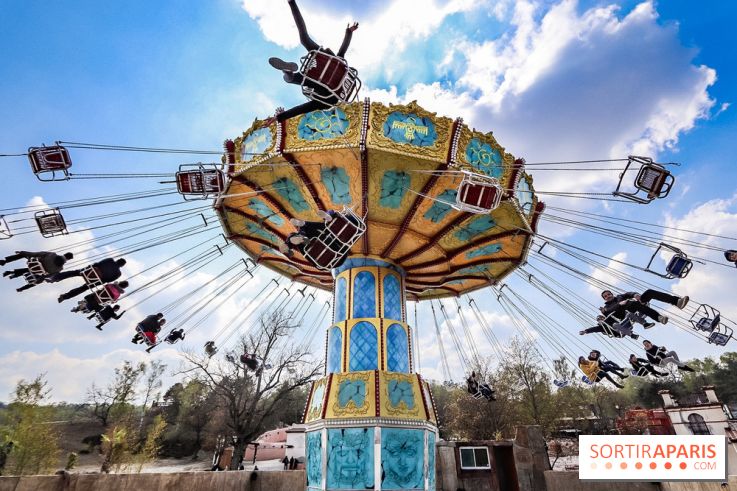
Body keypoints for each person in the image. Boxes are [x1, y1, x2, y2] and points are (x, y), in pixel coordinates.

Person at [266, 0, 359, 124]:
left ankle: (288, 73)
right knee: (296, 77)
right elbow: (301, 109)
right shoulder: (326, 102)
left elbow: (342, 52)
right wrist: (279, 117)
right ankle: (288, 73)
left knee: (304, 39)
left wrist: (349, 33)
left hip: (324, 65)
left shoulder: (328, 100)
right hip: (324, 72)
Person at [600, 289, 689, 326]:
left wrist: (635, 294)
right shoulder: (606, 307)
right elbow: (610, 311)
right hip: (626, 313)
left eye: (609, 294)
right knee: (632, 303)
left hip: (633, 304)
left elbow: (628, 294)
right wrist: (619, 304)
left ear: (612, 294)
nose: (608, 296)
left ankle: (677, 302)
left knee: (649, 292)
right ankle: (658, 317)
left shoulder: (619, 297)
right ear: (604, 299)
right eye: (605, 296)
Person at [56, 258, 127, 302]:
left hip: (91, 271)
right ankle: (65, 297)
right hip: (95, 280)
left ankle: (57, 277)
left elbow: (98, 263)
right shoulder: (118, 273)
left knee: (75, 272)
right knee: (82, 288)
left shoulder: (110, 260)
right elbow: (107, 280)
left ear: (117, 260)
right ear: (121, 266)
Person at [2, 250, 74, 291]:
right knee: (38, 280)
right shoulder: (60, 268)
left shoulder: (52, 254)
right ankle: (21, 288)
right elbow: (49, 276)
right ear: (68, 259)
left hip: (32, 264)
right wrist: (42, 279)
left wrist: (22, 252)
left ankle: (5, 261)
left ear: (64, 254)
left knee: (24, 254)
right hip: (37, 272)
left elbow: (35, 254)